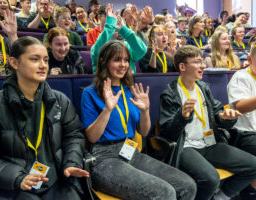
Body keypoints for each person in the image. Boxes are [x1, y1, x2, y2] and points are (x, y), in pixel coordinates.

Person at [0, 36, 89, 199]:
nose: (43, 65)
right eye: (35, 59)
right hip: (10, 185)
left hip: (53, 179)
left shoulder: (60, 100)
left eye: (46, 60)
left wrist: (71, 163)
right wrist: (17, 178)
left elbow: (73, 137)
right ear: (14, 63)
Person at [81, 40, 197, 200]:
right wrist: (108, 109)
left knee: (187, 185)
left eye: (126, 60)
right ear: (104, 61)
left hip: (129, 150)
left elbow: (143, 131)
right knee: (165, 193)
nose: (123, 65)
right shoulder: (90, 93)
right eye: (117, 60)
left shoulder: (130, 90)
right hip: (104, 158)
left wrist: (145, 110)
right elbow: (92, 137)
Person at [159, 45, 256, 200]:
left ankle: (221, 196)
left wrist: (228, 117)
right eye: (197, 62)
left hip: (210, 143)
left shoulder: (202, 87)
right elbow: (168, 132)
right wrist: (182, 116)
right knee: (211, 179)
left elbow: (218, 113)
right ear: (182, 66)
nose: (203, 65)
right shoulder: (170, 93)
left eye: (202, 61)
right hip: (186, 147)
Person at [227, 39, 256, 199]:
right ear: (249, 59)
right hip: (248, 134)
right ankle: (249, 189)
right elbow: (240, 107)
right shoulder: (240, 77)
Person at [91, 4, 146, 74]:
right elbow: (101, 47)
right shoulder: (97, 48)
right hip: (105, 84)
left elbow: (142, 50)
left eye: (126, 60)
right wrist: (110, 27)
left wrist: (124, 29)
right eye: (105, 27)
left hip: (128, 83)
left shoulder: (126, 46)